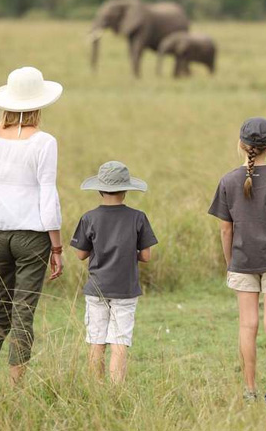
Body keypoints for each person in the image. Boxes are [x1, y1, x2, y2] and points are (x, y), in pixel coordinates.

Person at [0, 66, 64, 384]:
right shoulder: (44, 142)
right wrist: (57, 246)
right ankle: (16, 390)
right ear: (38, 105)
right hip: (32, 236)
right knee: (23, 312)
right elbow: (47, 193)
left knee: (1, 310)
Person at [209, 117, 266, 408]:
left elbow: (225, 229)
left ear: (241, 145)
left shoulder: (227, 181)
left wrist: (231, 262)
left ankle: (249, 392)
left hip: (241, 261)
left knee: (246, 326)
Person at [70, 161, 159, 384]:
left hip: (97, 287)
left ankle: (96, 388)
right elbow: (146, 256)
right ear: (126, 190)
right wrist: (130, 253)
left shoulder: (89, 217)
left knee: (96, 340)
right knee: (120, 341)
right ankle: (116, 390)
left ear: (99, 189)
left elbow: (81, 254)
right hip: (126, 289)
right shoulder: (138, 217)